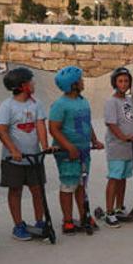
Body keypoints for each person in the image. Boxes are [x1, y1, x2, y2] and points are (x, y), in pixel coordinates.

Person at [49, 66, 104, 234]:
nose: (83, 81)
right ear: (72, 84)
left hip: (83, 150)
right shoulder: (60, 104)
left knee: (81, 185)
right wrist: (69, 146)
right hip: (67, 153)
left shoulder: (83, 101)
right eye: (80, 79)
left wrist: (94, 140)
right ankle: (67, 220)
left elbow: (87, 124)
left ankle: (83, 216)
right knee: (68, 184)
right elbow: (54, 129)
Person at [0, 67, 49, 240]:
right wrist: (13, 150)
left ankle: (40, 221)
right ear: (23, 85)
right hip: (13, 159)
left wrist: (45, 146)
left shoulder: (36, 104)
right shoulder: (7, 106)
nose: (34, 84)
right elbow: (2, 130)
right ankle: (18, 225)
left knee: (37, 190)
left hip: (34, 157)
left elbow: (40, 125)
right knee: (15, 191)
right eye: (31, 81)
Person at [102, 67, 133, 228]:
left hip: (128, 147)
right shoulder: (112, 102)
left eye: (126, 81)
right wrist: (124, 137)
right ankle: (109, 212)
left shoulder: (129, 100)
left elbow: (129, 120)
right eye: (120, 81)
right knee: (114, 178)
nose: (124, 84)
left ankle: (119, 207)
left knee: (123, 178)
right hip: (117, 146)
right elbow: (111, 124)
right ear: (114, 83)